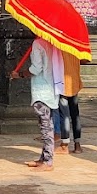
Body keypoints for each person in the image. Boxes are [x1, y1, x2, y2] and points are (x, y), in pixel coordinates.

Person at [17, 37, 63, 172]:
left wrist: (20, 74)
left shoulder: (38, 43)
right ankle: (44, 157)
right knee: (46, 124)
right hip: (51, 86)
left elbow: (36, 69)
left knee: (46, 125)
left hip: (41, 88)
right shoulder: (54, 43)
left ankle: (48, 161)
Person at [57, 51, 84, 154]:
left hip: (63, 82)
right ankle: (77, 145)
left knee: (64, 115)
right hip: (74, 82)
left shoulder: (60, 48)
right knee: (75, 114)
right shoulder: (76, 47)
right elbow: (85, 60)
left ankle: (64, 144)